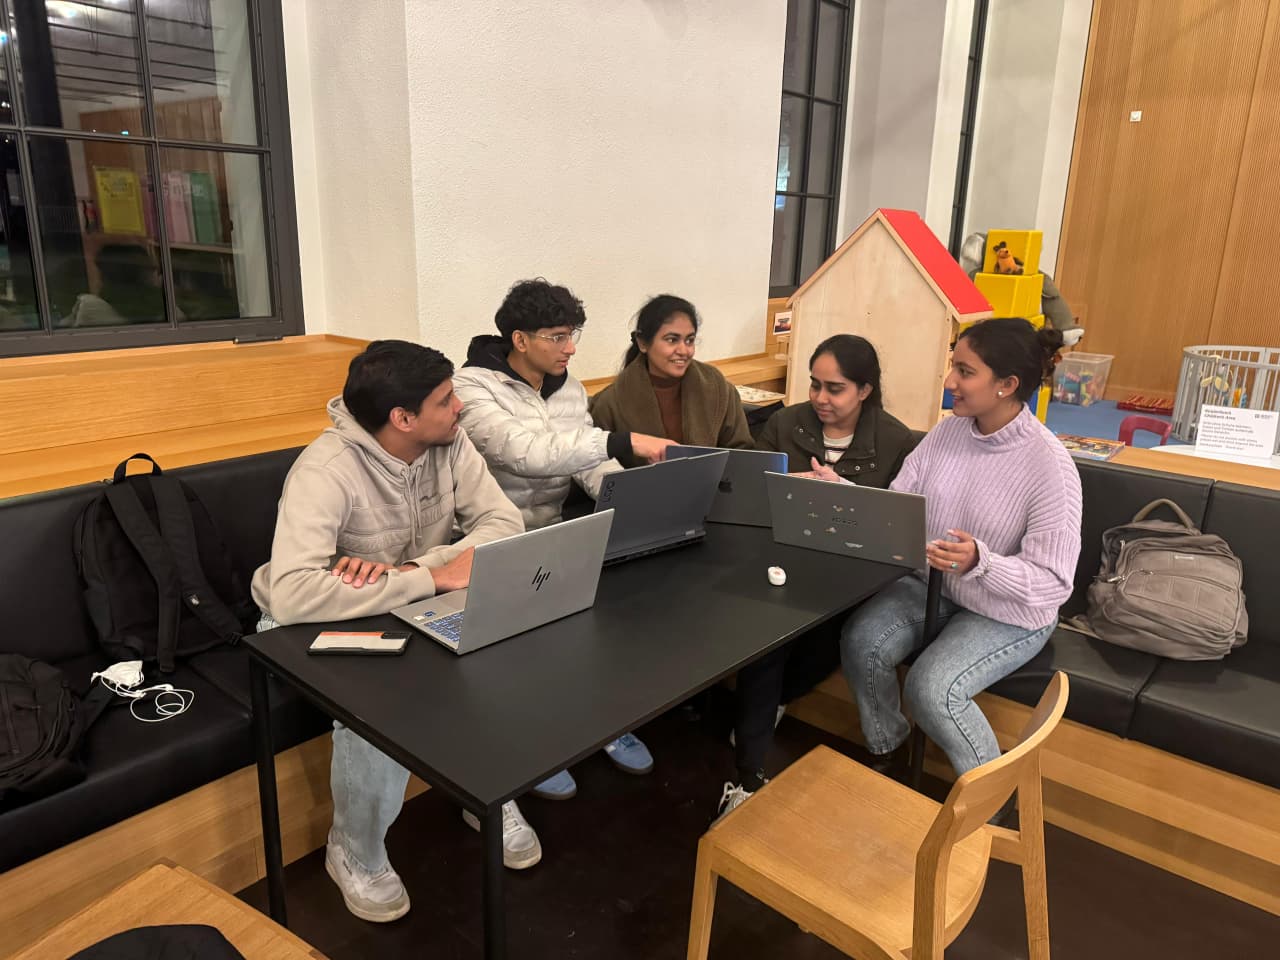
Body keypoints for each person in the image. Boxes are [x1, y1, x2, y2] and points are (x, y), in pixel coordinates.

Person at [251, 340, 528, 923]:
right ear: (403, 418)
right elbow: (293, 592)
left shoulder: (449, 442)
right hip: (312, 617)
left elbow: (504, 522)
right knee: (381, 704)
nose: (460, 406)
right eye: (445, 400)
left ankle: (486, 790)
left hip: (401, 596)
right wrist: (434, 578)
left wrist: (419, 573)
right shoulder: (325, 471)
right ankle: (353, 850)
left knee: (506, 644)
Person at [451, 279, 673, 797]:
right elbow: (523, 453)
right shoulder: (472, 387)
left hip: (551, 530)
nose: (570, 348)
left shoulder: (567, 388)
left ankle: (601, 723)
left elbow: (586, 460)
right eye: (557, 336)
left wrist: (628, 498)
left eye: (572, 334)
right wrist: (622, 441)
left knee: (602, 618)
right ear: (520, 339)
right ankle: (536, 742)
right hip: (486, 538)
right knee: (518, 644)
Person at [839, 318, 1081, 782]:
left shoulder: (1050, 466)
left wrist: (981, 563)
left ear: (1007, 385)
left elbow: (1053, 583)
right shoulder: (948, 432)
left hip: (1010, 611)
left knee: (932, 688)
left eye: (965, 372)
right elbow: (900, 505)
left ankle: (991, 803)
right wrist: (845, 493)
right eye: (954, 367)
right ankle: (888, 750)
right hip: (935, 586)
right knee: (861, 641)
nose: (949, 381)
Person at [717, 335, 917, 818]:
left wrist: (841, 498)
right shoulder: (786, 423)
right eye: (814, 385)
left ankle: (772, 708)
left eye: (835, 388)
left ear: (864, 390)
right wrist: (788, 489)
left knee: (835, 629)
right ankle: (749, 769)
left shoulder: (895, 441)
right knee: (768, 626)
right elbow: (748, 493)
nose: (821, 398)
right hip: (783, 556)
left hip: (855, 572)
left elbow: (897, 524)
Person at [590, 294, 753, 463]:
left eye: (689, 340)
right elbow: (596, 468)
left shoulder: (719, 389)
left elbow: (742, 453)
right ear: (643, 343)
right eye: (672, 340)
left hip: (712, 480)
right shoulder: (610, 403)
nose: (683, 351)